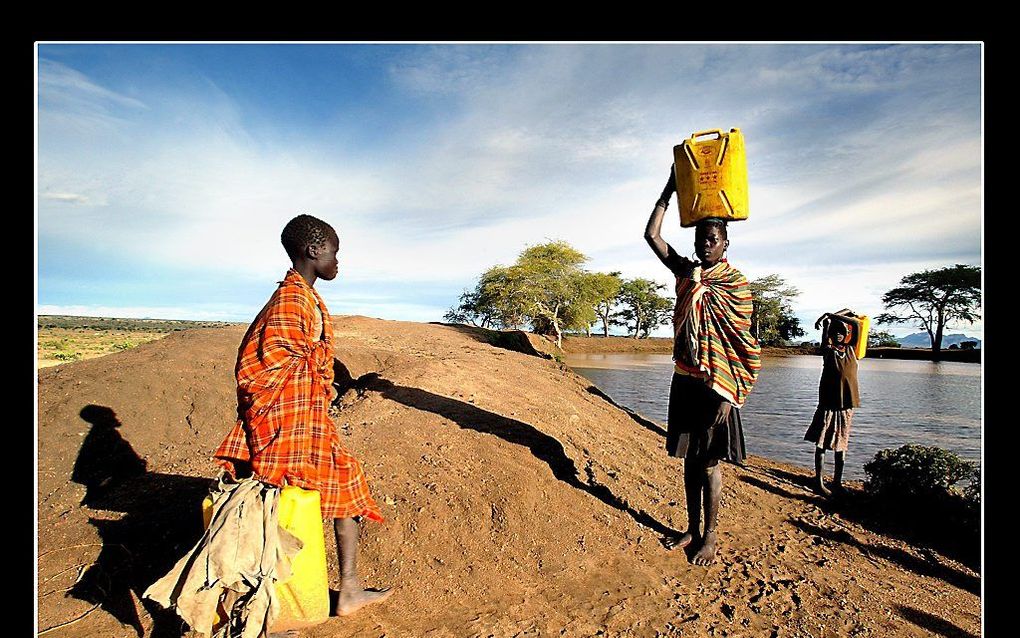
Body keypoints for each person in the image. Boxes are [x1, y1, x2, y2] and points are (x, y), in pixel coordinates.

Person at [213, 213, 392, 619]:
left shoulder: (304, 296)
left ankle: (348, 591)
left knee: (345, 481)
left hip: (306, 416)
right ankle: (263, 613)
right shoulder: (291, 300)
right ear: (314, 251)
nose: (337, 261)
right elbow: (261, 365)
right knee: (272, 505)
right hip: (284, 419)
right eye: (334, 252)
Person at [644, 166, 761, 566]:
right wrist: (668, 191)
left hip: (718, 387)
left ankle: (710, 536)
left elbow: (742, 343)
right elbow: (652, 236)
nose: (706, 244)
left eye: (713, 239)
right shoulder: (685, 272)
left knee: (710, 464)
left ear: (725, 244)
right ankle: (691, 528)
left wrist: (730, 394)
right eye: (700, 238)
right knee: (690, 461)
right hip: (685, 380)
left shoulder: (736, 284)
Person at [804, 309, 863, 496]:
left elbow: (856, 325)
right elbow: (827, 334)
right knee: (821, 443)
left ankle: (837, 482)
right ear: (830, 335)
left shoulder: (853, 350)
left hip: (846, 405)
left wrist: (831, 314)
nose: (838, 335)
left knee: (841, 445)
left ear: (847, 335)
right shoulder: (828, 351)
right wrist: (827, 320)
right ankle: (819, 482)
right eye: (834, 332)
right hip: (828, 404)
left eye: (842, 332)